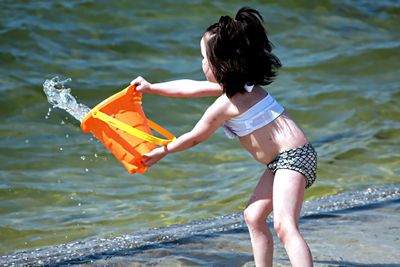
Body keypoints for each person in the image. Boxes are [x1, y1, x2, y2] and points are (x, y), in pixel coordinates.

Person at [131, 7, 316, 267]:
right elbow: (190, 88)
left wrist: (162, 151)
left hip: (293, 159)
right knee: (253, 216)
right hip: (282, 161)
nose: (202, 64)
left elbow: (195, 137)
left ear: (221, 64)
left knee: (285, 225)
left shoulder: (226, 104)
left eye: (204, 58)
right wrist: (151, 88)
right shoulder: (242, 87)